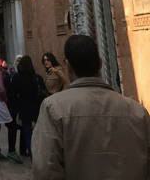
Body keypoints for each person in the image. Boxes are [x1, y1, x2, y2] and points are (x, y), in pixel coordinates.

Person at [32, 34, 150, 179]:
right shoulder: (137, 111)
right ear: (100, 64)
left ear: (67, 65)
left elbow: (45, 170)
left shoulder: (53, 109)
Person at [8, 55, 43, 158]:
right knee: (34, 131)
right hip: (34, 108)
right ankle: (31, 151)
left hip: (23, 107)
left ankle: (30, 151)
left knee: (26, 130)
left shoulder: (17, 77)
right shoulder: (35, 78)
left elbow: (12, 94)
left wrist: (15, 108)